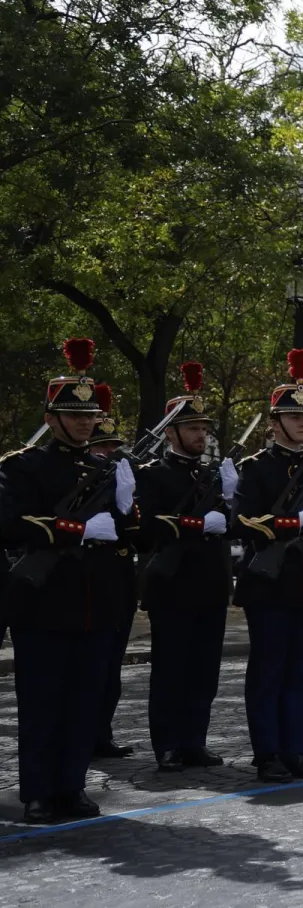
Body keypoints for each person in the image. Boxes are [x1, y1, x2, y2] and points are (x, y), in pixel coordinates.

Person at [0, 338, 134, 823]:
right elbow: (11, 525)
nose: (84, 422)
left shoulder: (107, 468)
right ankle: (38, 791)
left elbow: (130, 533)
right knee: (41, 701)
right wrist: (72, 529)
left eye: (89, 415)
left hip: (97, 601)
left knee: (84, 699)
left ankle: (72, 786)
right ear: (52, 418)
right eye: (73, 415)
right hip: (45, 600)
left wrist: (126, 507)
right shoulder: (23, 466)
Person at [231, 349, 303, 783]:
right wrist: (292, 521)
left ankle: (295, 749)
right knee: (269, 671)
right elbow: (243, 521)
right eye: (293, 417)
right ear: (274, 423)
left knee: (299, 672)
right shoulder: (255, 468)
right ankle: (267, 753)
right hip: (271, 584)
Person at [135, 362, 234, 772]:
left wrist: (231, 500)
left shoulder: (214, 474)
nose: (201, 435)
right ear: (171, 433)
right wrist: (195, 524)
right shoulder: (153, 475)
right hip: (172, 585)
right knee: (171, 669)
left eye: (203, 429)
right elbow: (147, 524)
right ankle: (168, 745)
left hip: (210, 583)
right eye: (192, 428)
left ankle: (195, 740)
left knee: (204, 671)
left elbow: (232, 521)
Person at [85, 383, 140, 761]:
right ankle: (83, 736)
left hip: (119, 582)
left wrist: (126, 505)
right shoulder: (78, 480)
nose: (109, 453)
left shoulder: (121, 479)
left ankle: (101, 733)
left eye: (112, 447)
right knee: (87, 670)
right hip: (85, 582)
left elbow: (138, 533)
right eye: (101, 447)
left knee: (110, 669)